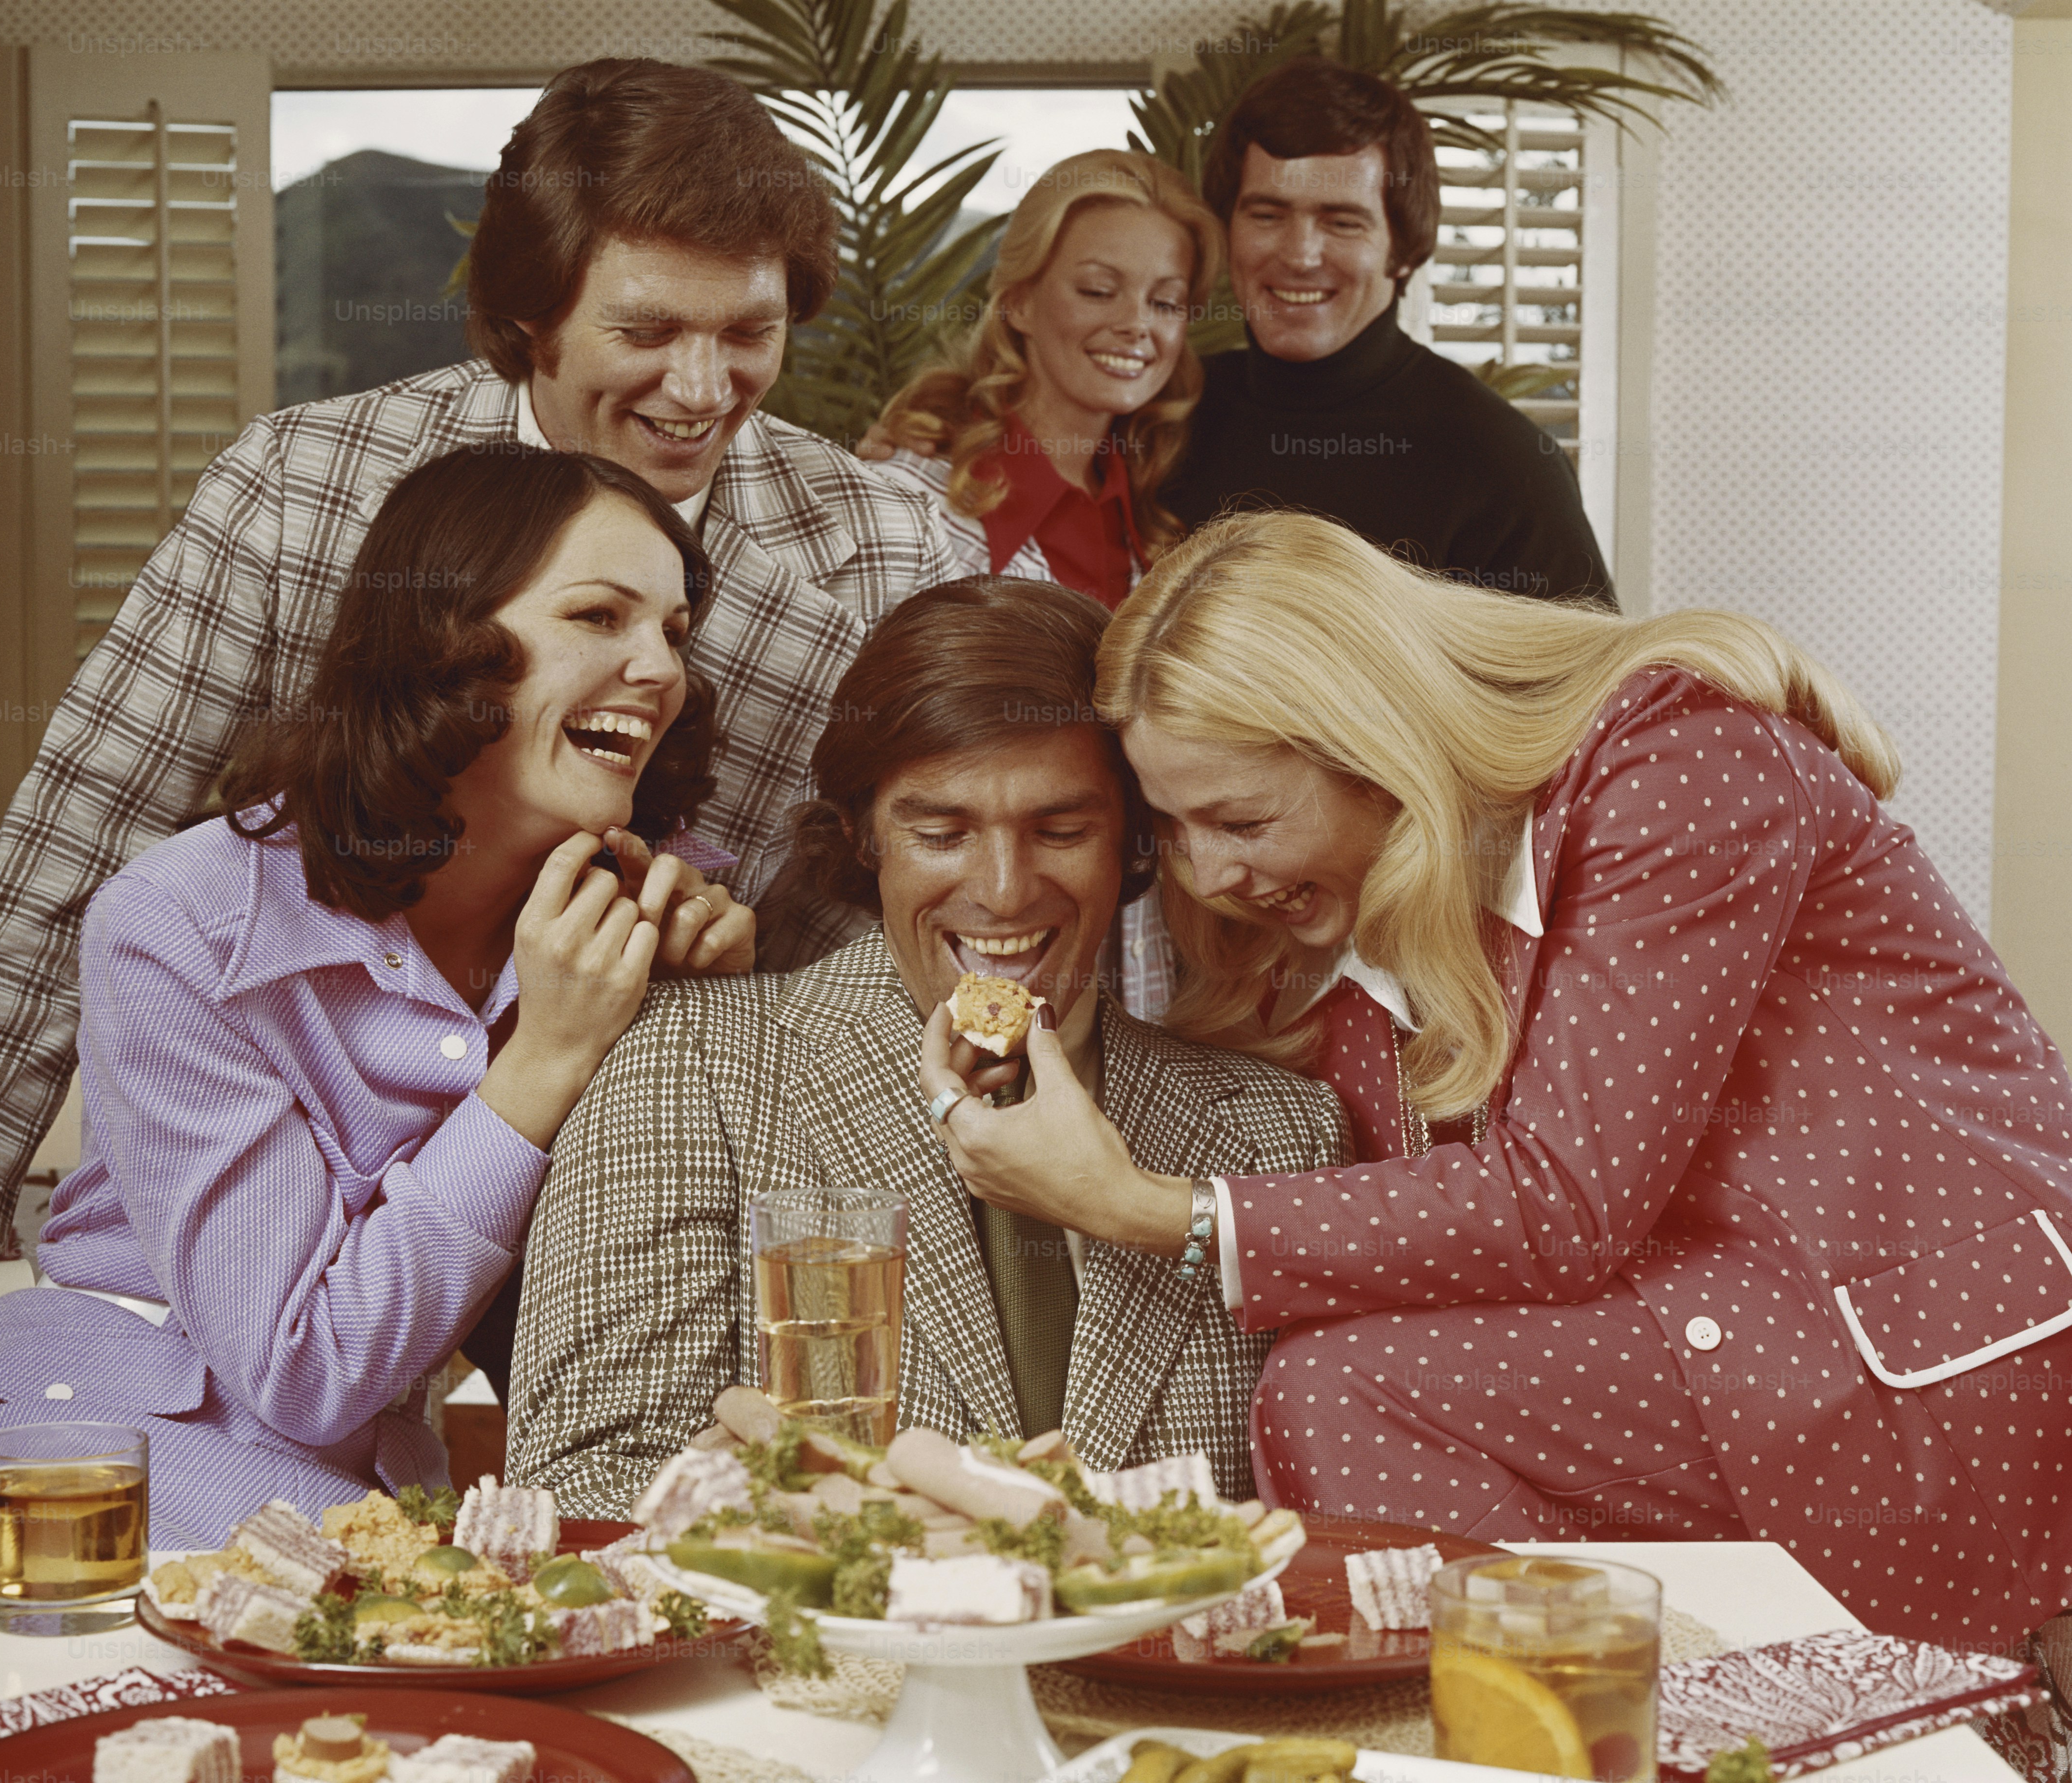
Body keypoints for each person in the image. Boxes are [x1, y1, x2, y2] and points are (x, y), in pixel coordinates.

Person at [0, 57, 949, 1367]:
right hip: (301, 1201)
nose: (701, 387)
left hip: (648, 1198)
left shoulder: (887, 549)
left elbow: (945, 892)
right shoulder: (302, 493)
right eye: (647, 331)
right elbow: (85, 839)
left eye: (747, 334)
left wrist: (753, 985)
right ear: (528, 319)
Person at [920, 511, 2072, 1655]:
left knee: (1345, 1391)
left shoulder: (1680, 766)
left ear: (1377, 750)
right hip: (1715, 1354)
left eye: (1240, 818)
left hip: (1924, 1367)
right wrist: (1026, 1067)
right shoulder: (1366, 944)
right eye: (1171, 830)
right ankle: (1596, 1716)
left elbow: (1559, 1205)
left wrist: (1130, 1205)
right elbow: (1400, 1231)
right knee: (1338, 1393)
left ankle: (1595, 1718)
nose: (1213, 873)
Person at [0, 445, 756, 1684]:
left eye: (674, 626)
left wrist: (706, 1005)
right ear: (440, 639)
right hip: (82, 1473)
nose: (658, 668)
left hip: (372, 1502)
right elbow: (308, 1365)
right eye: (598, 615)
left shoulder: (635, 920)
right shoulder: (181, 922)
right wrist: (543, 1059)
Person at [503, 578, 1348, 1514]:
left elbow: (1309, 1527)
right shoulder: (687, 1067)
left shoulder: (1282, 1130)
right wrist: (889, 1533)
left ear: (1135, 842)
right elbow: (577, 1491)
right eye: (940, 833)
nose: (1003, 891)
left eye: (1061, 831)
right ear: (866, 836)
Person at [1166, 59, 1613, 607]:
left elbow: (1607, 693)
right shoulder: (1167, 414)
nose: (1300, 254)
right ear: (1227, 229)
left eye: (1342, 222)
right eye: (1267, 214)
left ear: (1403, 249)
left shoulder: (1499, 463)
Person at [867, 150, 1223, 612]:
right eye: (1098, 291)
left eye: (1166, 303)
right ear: (1019, 303)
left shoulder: (1154, 517)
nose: (1137, 324)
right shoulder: (904, 500)